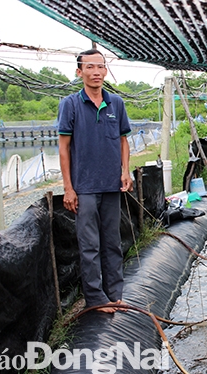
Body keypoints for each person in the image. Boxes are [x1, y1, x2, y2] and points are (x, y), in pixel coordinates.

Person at [58, 49, 133, 314]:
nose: (96, 72)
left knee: (112, 242)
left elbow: (124, 140)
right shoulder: (71, 104)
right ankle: (95, 298)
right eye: (90, 67)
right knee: (89, 244)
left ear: (105, 71)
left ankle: (115, 294)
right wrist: (69, 188)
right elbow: (64, 148)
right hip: (85, 186)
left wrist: (126, 171)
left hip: (111, 185)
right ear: (80, 72)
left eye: (100, 67)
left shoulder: (117, 104)